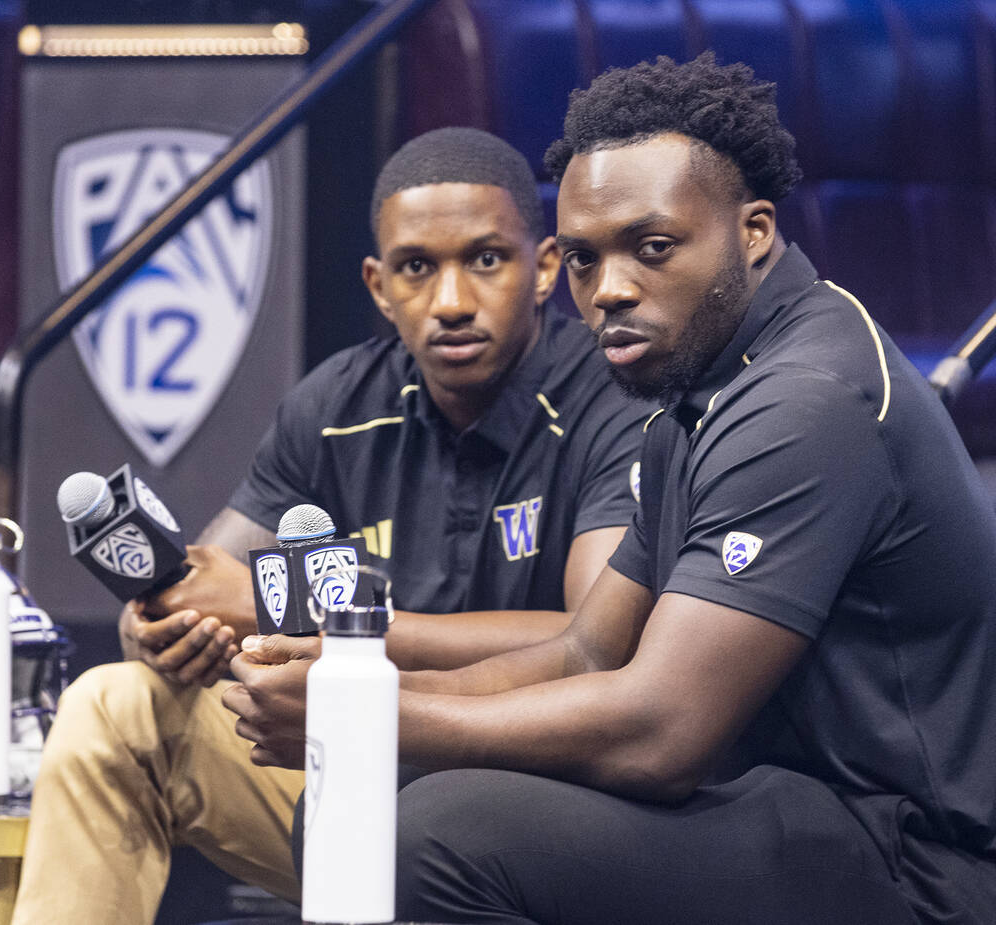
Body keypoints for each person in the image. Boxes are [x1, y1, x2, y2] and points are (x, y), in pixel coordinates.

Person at [225, 55, 996, 923]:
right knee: (359, 801)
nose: (611, 290)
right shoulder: (701, 386)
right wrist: (356, 688)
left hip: (916, 860)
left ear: (753, 230)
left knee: (427, 832)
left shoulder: (805, 399)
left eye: (652, 246)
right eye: (586, 260)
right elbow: (585, 653)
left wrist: (368, 716)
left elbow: (662, 732)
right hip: (790, 804)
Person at [10, 126, 649, 925]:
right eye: (418, 267)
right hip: (351, 776)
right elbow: (213, 578)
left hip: (526, 802)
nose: (451, 301)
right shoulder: (335, 405)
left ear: (546, 267)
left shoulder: (613, 400)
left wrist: (325, 621)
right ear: (380, 287)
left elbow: (598, 645)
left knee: (435, 822)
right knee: (115, 703)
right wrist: (160, 627)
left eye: (485, 259)